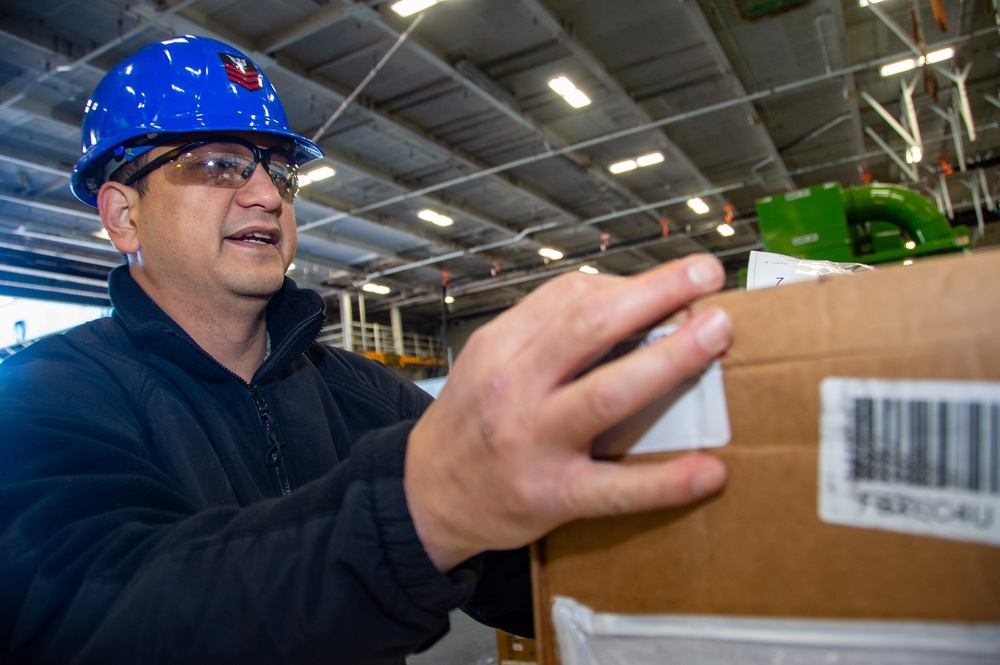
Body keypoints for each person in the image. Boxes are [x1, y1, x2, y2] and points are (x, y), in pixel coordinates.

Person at [0, 35, 733, 664]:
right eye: (220, 163)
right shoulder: (42, 398)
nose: (265, 194)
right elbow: (100, 614)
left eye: (277, 168)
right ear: (123, 214)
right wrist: (422, 505)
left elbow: (526, 569)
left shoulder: (364, 394)